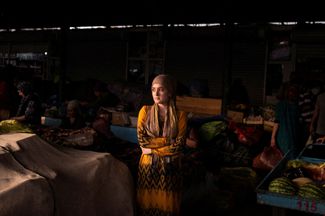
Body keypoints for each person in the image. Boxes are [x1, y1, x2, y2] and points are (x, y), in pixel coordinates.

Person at [136, 74, 187, 216]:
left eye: (161, 89)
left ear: (170, 92)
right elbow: (143, 141)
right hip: (148, 167)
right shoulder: (145, 111)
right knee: (147, 206)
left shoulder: (181, 115)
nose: (156, 94)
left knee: (168, 207)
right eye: (153, 89)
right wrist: (167, 141)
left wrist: (152, 150)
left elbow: (179, 145)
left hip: (170, 168)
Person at [271, 83, 302, 159]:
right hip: (289, 137)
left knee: (284, 158)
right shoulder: (295, 106)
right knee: (289, 158)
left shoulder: (282, 105)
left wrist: (273, 138)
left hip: (285, 138)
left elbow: (276, 122)